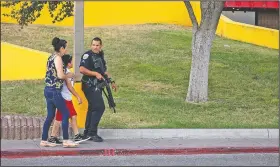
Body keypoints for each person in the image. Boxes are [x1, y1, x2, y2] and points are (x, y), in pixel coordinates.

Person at [40, 37, 78, 148]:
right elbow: (60, 75)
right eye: (66, 48)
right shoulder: (58, 59)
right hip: (55, 90)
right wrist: (69, 75)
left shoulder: (50, 57)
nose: (66, 50)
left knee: (50, 115)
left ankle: (44, 140)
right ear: (61, 48)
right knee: (66, 114)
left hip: (47, 89)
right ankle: (66, 140)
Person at [79, 37, 117, 142]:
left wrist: (112, 81)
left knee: (93, 108)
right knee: (99, 107)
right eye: (93, 45)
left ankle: (87, 132)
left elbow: (104, 71)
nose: (95, 47)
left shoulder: (100, 56)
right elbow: (82, 69)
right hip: (89, 85)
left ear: (101, 46)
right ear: (91, 45)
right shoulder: (87, 55)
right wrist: (95, 74)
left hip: (97, 86)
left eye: (97, 45)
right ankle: (92, 133)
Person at [47, 54, 91, 144]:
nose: (73, 63)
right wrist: (78, 96)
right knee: (67, 117)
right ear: (68, 63)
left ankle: (53, 137)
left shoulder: (66, 72)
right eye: (71, 61)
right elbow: (70, 87)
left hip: (66, 98)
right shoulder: (66, 73)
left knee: (70, 117)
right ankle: (75, 136)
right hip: (64, 99)